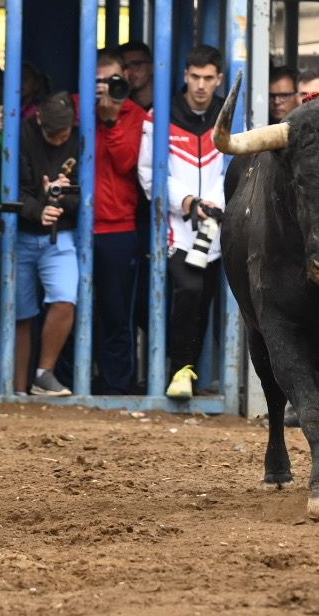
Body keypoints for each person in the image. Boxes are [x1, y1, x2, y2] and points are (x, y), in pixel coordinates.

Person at [139, 46, 226, 401]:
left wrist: (218, 206)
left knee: (206, 298)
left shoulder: (230, 116)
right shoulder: (159, 115)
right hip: (175, 227)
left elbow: (238, 171)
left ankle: (201, 372)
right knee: (188, 291)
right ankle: (178, 370)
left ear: (219, 79)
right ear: (185, 76)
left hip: (221, 230)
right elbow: (147, 173)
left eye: (208, 78)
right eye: (195, 77)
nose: (201, 85)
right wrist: (187, 202)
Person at [13, 92, 82, 396]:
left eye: (63, 135)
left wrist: (62, 199)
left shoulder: (81, 138)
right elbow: (12, 188)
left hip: (61, 233)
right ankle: (15, 388)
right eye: (51, 134)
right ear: (39, 120)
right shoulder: (21, 134)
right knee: (20, 313)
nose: (57, 141)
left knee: (66, 298)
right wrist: (38, 207)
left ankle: (44, 374)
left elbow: (85, 197)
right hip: (21, 234)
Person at [91, 49, 146, 394]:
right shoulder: (76, 107)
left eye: (111, 80)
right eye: (97, 81)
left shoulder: (135, 115)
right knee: (71, 306)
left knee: (115, 313)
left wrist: (110, 121)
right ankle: (70, 380)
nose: (104, 88)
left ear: (124, 77)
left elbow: (128, 163)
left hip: (118, 228)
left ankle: (116, 386)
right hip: (72, 226)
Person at [118, 41, 155, 111]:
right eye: (125, 66)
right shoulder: (121, 108)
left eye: (136, 64)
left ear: (152, 67)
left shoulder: (168, 108)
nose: (129, 71)